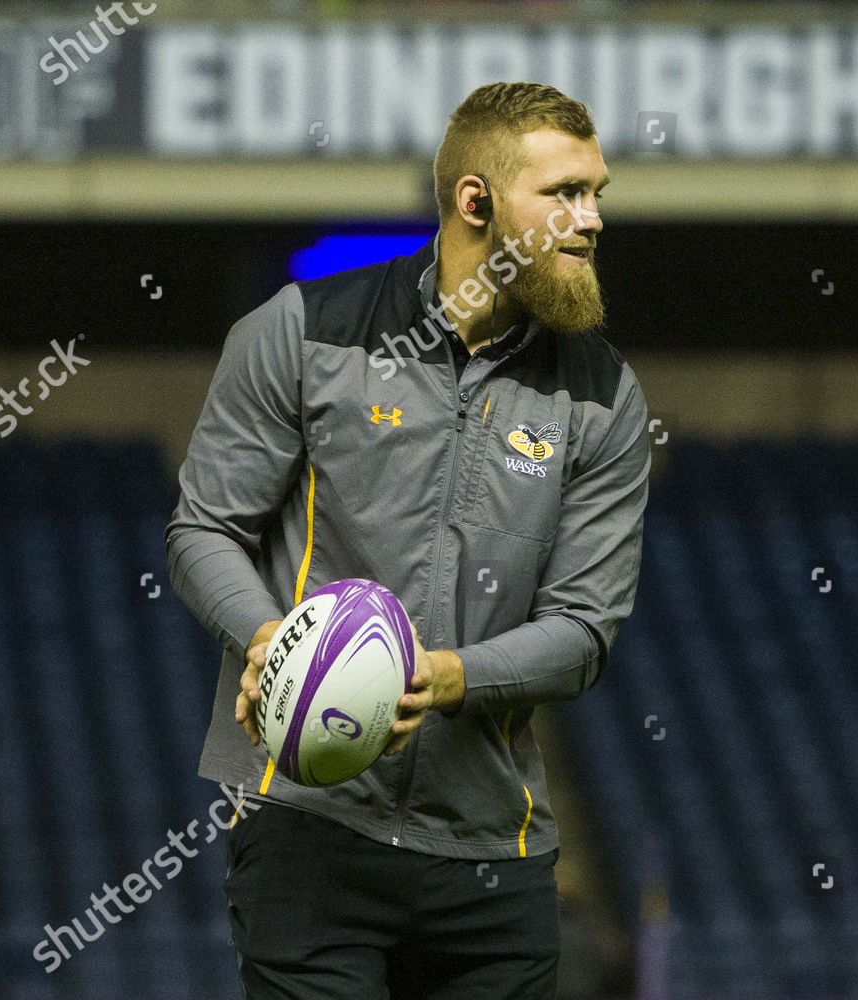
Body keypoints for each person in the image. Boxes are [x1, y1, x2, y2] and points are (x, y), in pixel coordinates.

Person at [166, 81, 651, 999]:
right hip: (304, 831)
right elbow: (204, 528)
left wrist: (448, 676)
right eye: (563, 194)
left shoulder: (604, 394)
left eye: (597, 193)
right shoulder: (303, 332)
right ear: (476, 201)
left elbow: (586, 629)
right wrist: (264, 637)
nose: (591, 220)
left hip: (492, 856)